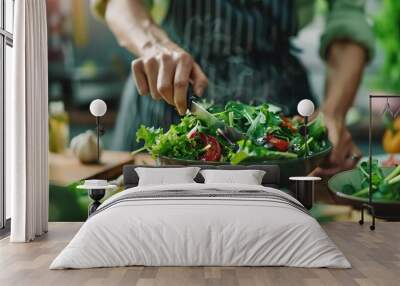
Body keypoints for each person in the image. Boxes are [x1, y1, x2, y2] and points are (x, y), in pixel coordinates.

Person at [92, 0, 374, 175]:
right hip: (168, 91)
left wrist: (333, 114)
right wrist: (153, 45)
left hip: (279, 107)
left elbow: (348, 19)